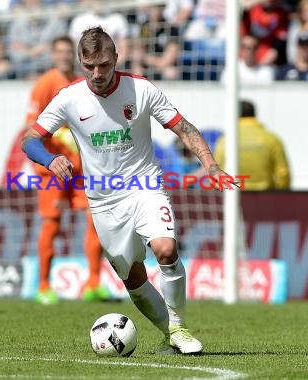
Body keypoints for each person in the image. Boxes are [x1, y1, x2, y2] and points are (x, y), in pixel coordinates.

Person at [21, 26, 236, 354]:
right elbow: (30, 139)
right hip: (104, 199)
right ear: (81, 62)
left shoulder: (141, 89)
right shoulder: (69, 97)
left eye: (104, 65)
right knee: (134, 277)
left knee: (165, 249)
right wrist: (50, 160)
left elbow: (183, 127)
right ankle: (170, 334)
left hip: (145, 185)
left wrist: (211, 165)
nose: (97, 73)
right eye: (89, 65)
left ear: (116, 59)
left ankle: (179, 325)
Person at [17, 36, 110, 305]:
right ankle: (44, 285)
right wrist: (61, 138)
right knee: (52, 223)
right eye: (59, 51)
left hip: (82, 168)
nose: (64, 56)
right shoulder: (45, 84)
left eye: (68, 51)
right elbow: (31, 129)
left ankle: (93, 283)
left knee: (96, 220)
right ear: (53, 54)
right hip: (53, 168)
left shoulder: (81, 83)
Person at [214, 100, 290, 190]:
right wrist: (280, 195)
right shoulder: (271, 139)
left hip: (233, 196)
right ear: (254, 115)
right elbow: (283, 173)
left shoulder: (225, 140)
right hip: (265, 197)